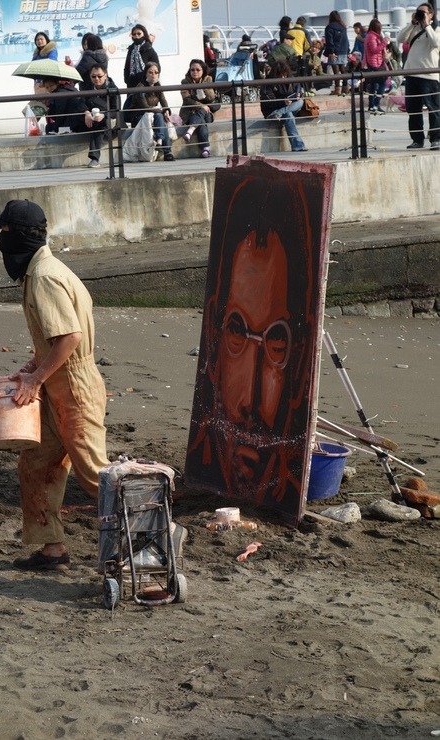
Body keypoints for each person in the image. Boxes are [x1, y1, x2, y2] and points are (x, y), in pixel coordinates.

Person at [0, 200, 109, 571]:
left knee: (96, 476)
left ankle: (151, 536)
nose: (0, 241)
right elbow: (58, 338)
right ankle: (52, 550)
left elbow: (70, 336)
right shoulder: (43, 271)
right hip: (57, 381)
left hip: (75, 386)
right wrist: (36, 364)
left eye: (3, 233)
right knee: (36, 465)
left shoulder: (45, 277)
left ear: (18, 235)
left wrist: (36, 379)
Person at [185, 166, 320, 517]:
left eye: (277, 342)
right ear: (214, 343)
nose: (250, 402)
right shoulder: (207, 459)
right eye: (237, 332)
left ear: (302, 353)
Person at [397, 2, 440, 149]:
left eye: (423, 12)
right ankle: (417, 140)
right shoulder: (414, 28)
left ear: (431, 15)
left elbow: (435, 43)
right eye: (418, 12)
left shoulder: (436, 29)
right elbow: (400, 39)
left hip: (429, 76)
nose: (420, 14)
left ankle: (436, 139)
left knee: (433, 109)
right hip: (411, 75)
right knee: (413, 109)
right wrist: (412, 23)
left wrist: (427, 24)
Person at [129, 61, 175, 161]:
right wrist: (161, 111)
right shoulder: (140, 87)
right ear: (145, 73)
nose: (153, 75)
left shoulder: (158, 86)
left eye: (156, 72)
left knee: (160, 117)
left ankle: (160, 143)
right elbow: (144, 106)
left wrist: (166, 111)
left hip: (152, 114)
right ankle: (167, 151)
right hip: (139, 115)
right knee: (159, 116)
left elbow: (163, 100)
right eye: (150, 72)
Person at [260, 60, 308, 152]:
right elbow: (268, 102)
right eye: (280, 75)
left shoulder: (291, 79)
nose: (283, 77)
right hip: (272, 110)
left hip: (282, 110)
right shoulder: (268, 83)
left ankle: (278, 113)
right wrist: (283, 102)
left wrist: (299, 95)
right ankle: (298, 146)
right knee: (288, 115)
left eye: (284, 75)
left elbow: (298, 90)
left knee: (300, 101)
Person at [78, 65, 120, 168]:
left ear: (105, 75)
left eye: (99, 76)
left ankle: (94, 158)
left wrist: (104, 115)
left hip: (110, 123)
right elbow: (80, 103)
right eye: (93, 76)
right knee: (76, 117)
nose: (96, 79)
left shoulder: (113, 89)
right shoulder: (87, 87)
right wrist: (86, 112)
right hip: (91, 119)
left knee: (98, 124)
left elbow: (116, 109)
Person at [180, 59, 217, 158]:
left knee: (202, 112)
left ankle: (190, 131)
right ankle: (206, 149)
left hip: (207, 114)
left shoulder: (208, 80)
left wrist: (204, 89)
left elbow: (211, 98)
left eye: (198, 70)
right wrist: (201, 105)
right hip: (190, 113)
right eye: (192, 70)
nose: (195, 72)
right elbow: (187, 100)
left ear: (203, 70)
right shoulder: (185, 82)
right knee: (201, 122)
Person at [364, 17, 389, 113]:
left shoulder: (372, 36)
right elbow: (374, 50)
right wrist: (384, 42)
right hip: (375, 64)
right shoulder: (371, 37)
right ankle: (376, 103)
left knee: (374, 85)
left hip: (376, 62)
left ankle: (372, 106)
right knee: (383, 83)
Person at [123, 24, 160, 89]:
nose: (136, 36)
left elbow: (157, 67)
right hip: (132, 84)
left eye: (139, 33)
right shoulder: (131, 49)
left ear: (144, 34)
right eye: (134, 34)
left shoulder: (149, 49)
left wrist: (150, 80)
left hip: (147, 84)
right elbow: (127, 66)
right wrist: (127, 80)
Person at [325, 10, 350, 95]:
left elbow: (329, 41)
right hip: (343, 50)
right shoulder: (343, 27)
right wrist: (348, 50)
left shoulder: (329, 28)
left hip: (334, 51)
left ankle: (337, 89)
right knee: (343, 70)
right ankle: (345, 88)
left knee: (336, 71)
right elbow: (346, 40)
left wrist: (331, 51)